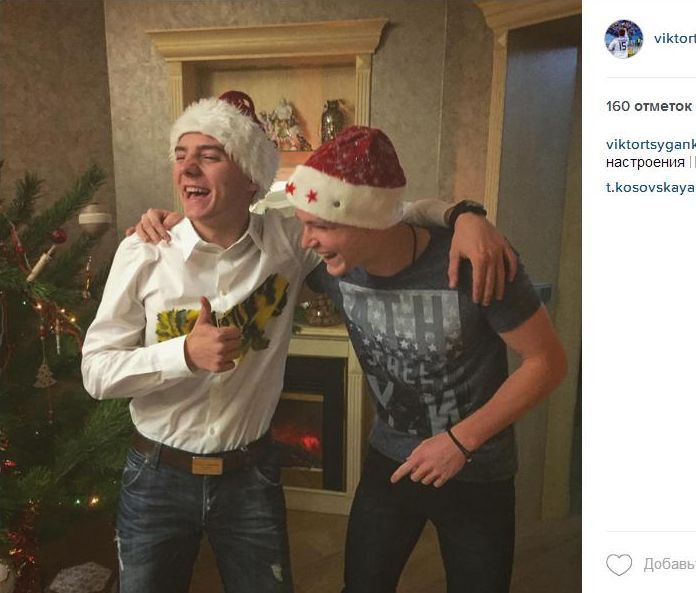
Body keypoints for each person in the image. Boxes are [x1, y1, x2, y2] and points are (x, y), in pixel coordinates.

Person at [81, 91, 514, 593]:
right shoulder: (143, 250)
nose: (187, 168)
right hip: (156, 476)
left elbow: (385, 213)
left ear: (251, 177)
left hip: (249, 478)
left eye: (209, 155)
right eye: (181, 155)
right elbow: (96, 372)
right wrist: (183, 354)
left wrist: (464, 215)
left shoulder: (290, 240)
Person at [284, 126, 567, 593]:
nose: (306, 240)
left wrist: (460, 441)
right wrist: (169, 226)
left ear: (372, 220)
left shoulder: (474, 261)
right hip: (391, 460)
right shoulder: (329, 266)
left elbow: (547, 362)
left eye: (322, 226)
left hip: (477, 467)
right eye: (303, 223)